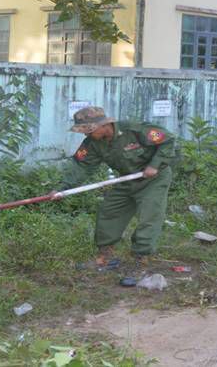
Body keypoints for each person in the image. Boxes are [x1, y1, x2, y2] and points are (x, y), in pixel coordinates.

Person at [70, 107, 175, 283]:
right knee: (109, 210)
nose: (86, 134)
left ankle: (140, 261)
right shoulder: (92, 143)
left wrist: (155, 164)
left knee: (149, 215)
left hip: (153, 179)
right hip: (127, 179)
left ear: (104, 125)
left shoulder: (134, 130)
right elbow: (81, 167)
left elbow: (168, 140)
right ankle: (106, 256)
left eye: (88, 130)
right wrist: (62, 188)